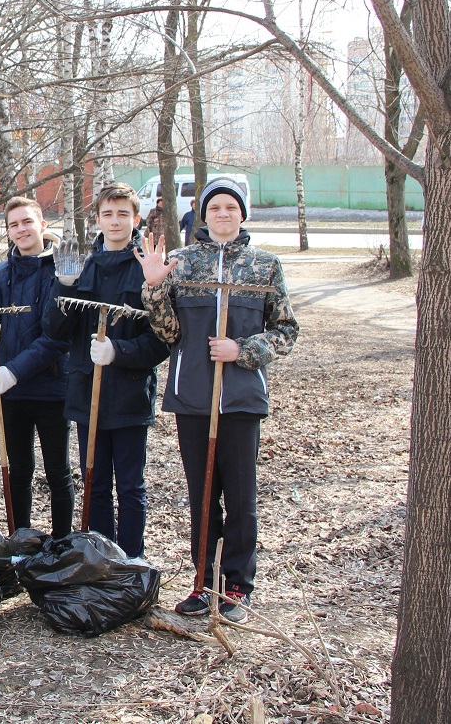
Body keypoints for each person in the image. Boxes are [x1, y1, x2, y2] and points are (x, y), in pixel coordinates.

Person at [137, 177, 299, 621]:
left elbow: (286, 331)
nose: (223, 214)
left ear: (242, 214)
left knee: (241, 497)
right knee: (202, 493)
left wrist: (243, 351)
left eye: (231, 207)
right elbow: (168, 331)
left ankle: (237, 587)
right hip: (193, 396)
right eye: (215, 208)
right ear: (202, 215)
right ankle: (203, 582)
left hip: (243, 398)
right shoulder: (183, 263)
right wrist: (154, 286)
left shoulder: (264, 266)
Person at [44, 184, 168, 558]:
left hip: (130, 393)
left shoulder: (146, 270)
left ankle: (131, 561)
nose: (115, 222)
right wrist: (63, 285)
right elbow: (55, 330)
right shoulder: (84, 268)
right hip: (87, 393)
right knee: (95, 481)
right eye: (108, 214)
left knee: (130, 486)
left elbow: (162, 339)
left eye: (123, 214)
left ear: (136, 219)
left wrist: (120, 351)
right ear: (96, 219)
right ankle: (101, 557)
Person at [0, 198, 74, 537]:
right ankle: (20, 539)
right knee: (18, 470)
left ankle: (62, 543)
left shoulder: (62, 270)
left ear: (41, 223)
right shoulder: (3, 272)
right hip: (12, 392)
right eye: (13, 225)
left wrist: (13, 371)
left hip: (52, 386)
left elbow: (57, 336)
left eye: (27, 222)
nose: (21, 230)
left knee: (58, 471)